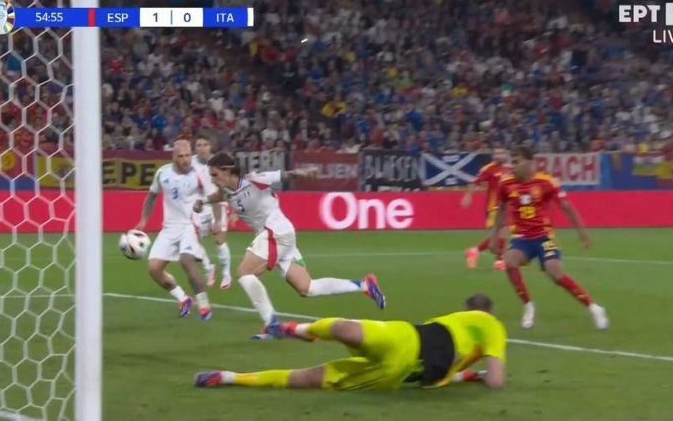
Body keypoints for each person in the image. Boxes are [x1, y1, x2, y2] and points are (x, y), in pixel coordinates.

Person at [195, 153, 387, 339]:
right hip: (279, 235)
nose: (212, 179)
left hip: (275, 231)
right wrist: (202, 201)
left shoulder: (253, 180)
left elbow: (284, 175)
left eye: (215, 175)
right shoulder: (227, 190)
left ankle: (272, 324)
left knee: (244, 272)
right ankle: (364, 285)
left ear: (227, 171)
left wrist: (305, 173)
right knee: (307, 288)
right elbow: (219, 196)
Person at [194, 293, 506, 390]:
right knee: (309, 378)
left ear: (467, 308)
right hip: (406, 368)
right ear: (490, 313)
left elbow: (452, 364)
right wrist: (479, 374)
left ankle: (300, 329)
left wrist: (470, 374)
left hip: (407, 334)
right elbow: (496, 381)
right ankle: (229, 378)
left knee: (345, 328)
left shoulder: (456, 318)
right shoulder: (492, 326)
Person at [490, 145, 608, 330]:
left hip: (544, 237)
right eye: (512, 162)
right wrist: (494, 237)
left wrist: (582, 233)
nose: (512, 166)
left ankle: (594, 308)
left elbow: (566, 207)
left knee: (555, 274)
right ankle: (528, 306)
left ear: (529, 162)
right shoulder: (506, 184)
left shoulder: (546, 182)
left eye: (516, 162)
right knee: (510, 262)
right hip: (521, 238)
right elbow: (501, 211)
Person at [136, 140, 218, 320]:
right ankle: (183, 298)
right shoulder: (162, 173)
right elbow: (151, 196)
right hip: (169, 227)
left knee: (186, 261)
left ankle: (204, 306)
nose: (185, 159)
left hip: (189, 225)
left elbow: (216, 195)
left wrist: (204, 203)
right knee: (154, 269)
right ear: (173, 156)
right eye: (181, 156)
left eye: (188, 155)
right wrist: (144, 220)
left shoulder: (199, 174)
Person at [192, 134, 232, 290]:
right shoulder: (190, 163)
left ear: (211, 147)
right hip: (199, 206)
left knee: (219, 240)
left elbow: (223, 190)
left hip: (217, 203)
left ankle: (226, 274)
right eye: (199, 145)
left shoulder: (219, 164)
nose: (202, 148)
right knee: (193, 242)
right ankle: (209, 267)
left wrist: (218, 219)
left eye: (205, 145)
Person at [462, 147, 511, 270]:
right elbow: (475, 182)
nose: (499, 155)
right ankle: (497, 260)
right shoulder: (488, 169)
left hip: (505, 206)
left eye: (501, 153)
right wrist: (468, 195)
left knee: (502, 234)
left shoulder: (508, 169)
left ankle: (478, 253)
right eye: (497, 153)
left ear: (506, 155)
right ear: (493, 156)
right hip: (494, 207)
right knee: (501, 232)